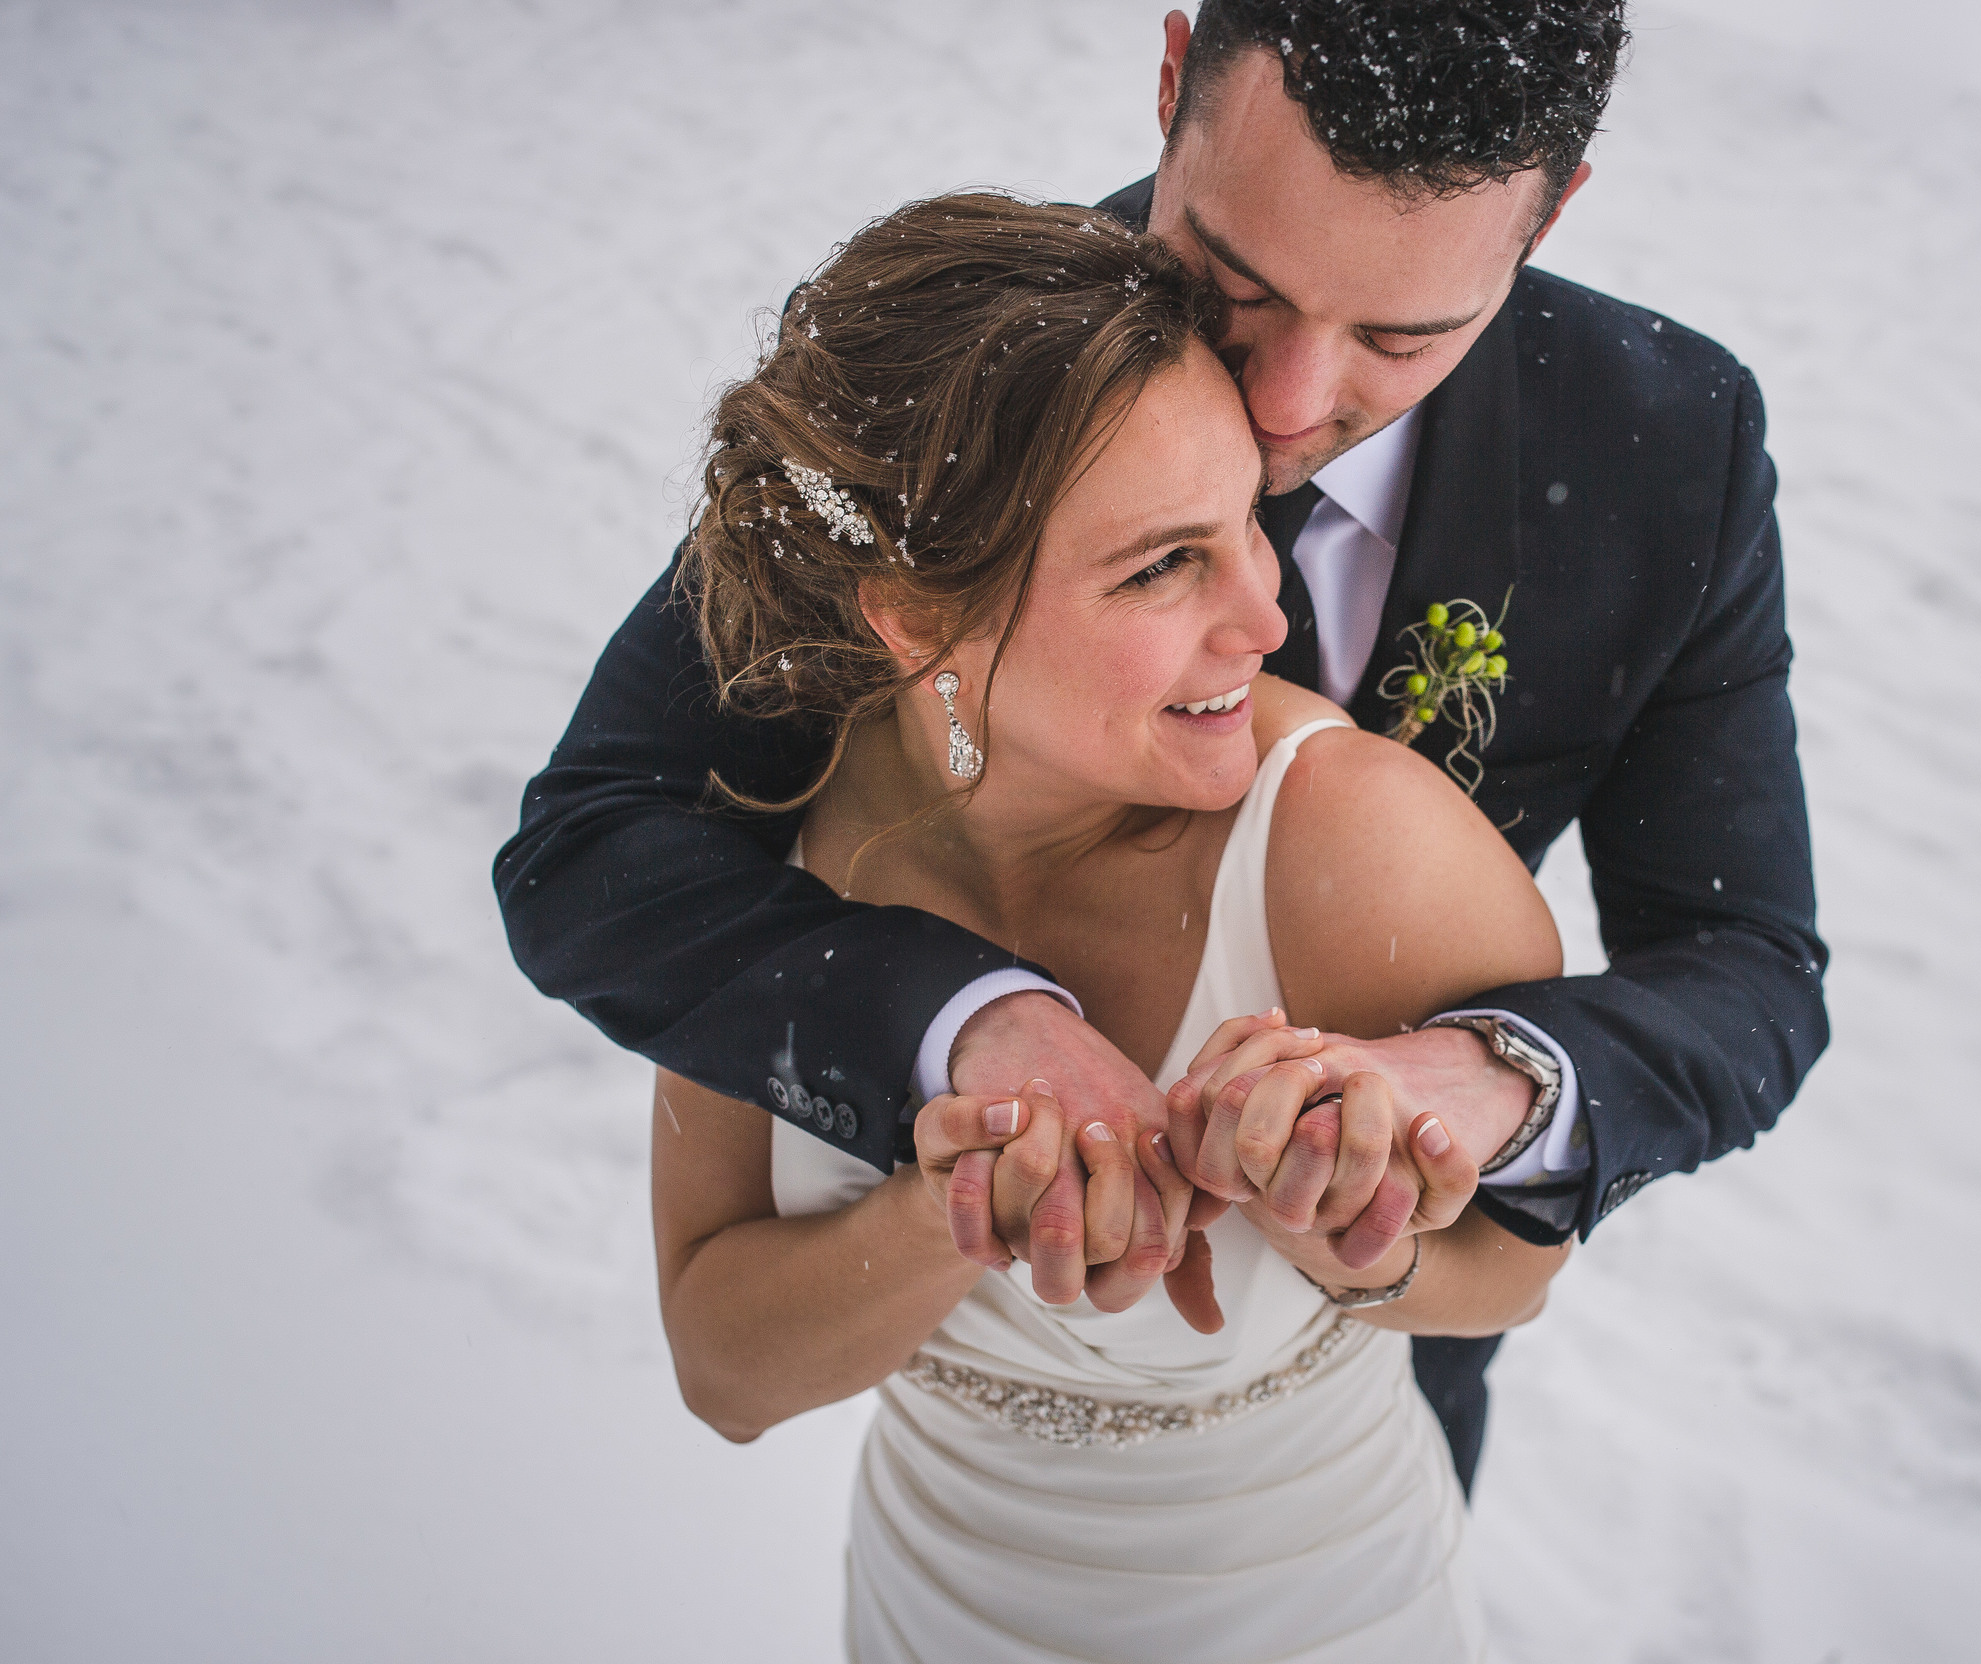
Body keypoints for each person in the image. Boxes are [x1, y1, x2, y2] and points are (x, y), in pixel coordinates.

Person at [496, 0, 1827, 1497]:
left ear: (1550, 213)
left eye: (1402, 337)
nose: (1283, 405)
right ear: (1176, 75)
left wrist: (1481, 1084)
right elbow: (598, 835)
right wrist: (965, 1024)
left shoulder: (1665, 441)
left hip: (1373, 1390)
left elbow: (1747, 964)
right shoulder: (977, 384)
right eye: (1234, 281)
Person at [650, 193, 1566, 1657]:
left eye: (1242, 531)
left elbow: (1516, 1267)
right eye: (1161, 565)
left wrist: (1348, 1220)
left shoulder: (1346, 838)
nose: (1266, 621)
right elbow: (722, 1369)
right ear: (914, 616)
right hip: (932, 1602)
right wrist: (953, 1214)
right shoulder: (752, 855)